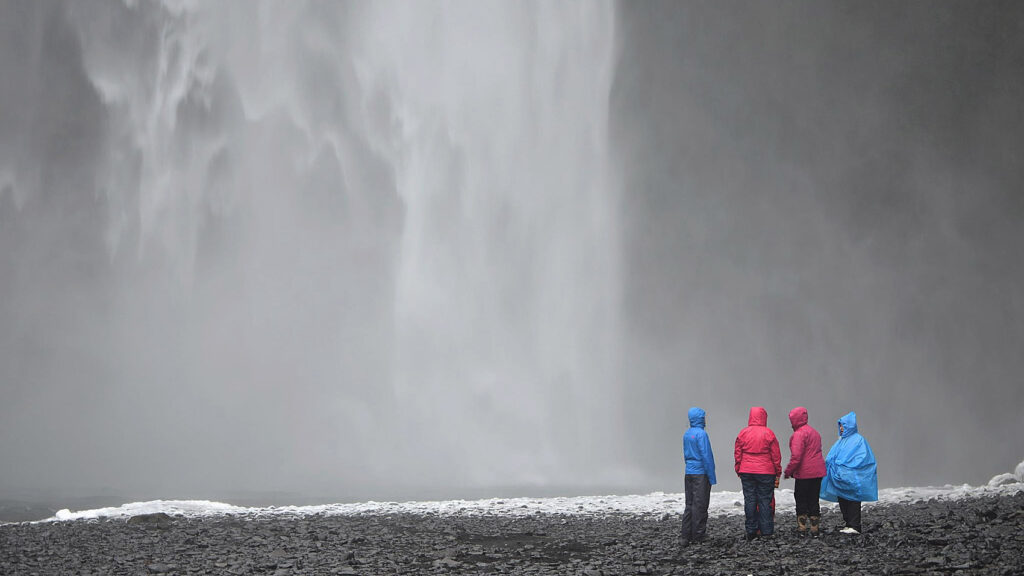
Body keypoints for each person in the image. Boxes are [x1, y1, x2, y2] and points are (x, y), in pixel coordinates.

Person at [820, 411, 878, 535]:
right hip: (839, 477)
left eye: (843, 425)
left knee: (853, 501)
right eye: (840, 425)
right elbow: (832, 457)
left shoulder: (858, 440)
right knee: (843, 500)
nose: (841, 427)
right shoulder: (841, 441)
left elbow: (863, 458)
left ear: (850, 425)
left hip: (852, 478)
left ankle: (855, 526)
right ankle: (848, 524)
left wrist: (844, 466)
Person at [734, 406, 781, 540]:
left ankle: (751, 530)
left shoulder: (743, 433)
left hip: (746, 471)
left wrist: (738, 468)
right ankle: (766, 531)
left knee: (750, 500)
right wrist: (777, 471)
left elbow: (738, 453)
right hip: (766, 471)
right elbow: (776, 455)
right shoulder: (769, 433)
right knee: (765, 500)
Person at [783, 406, 827, 537]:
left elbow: (796, 457)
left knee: (801, 498)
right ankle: (815, 527)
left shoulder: (798, 435)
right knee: (813, 498)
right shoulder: (815, 433)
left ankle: (802, 527)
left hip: (804, 473)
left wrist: (788, 471)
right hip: (818, 471)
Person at [681, 407, 717, 545]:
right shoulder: (701, 434)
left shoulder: (687, 434)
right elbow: (706, 456)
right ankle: (698, 535)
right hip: (700, 473)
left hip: (689, 472)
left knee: (689, 504)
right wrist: (712, 477)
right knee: (700, 504)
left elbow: (686, 454)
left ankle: (686, 535)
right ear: (701, 419)